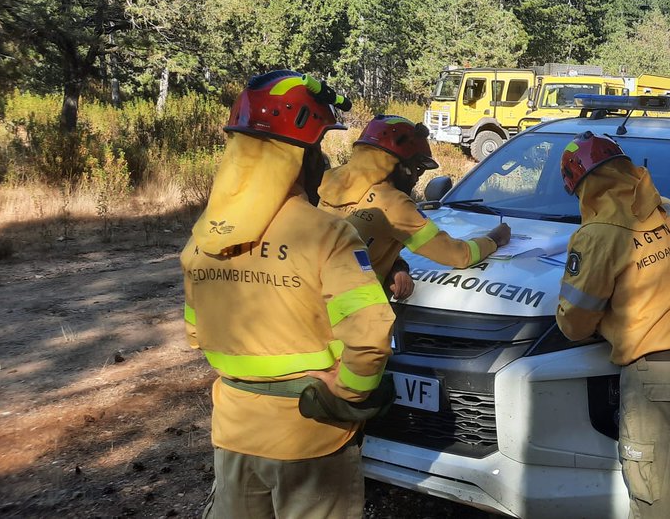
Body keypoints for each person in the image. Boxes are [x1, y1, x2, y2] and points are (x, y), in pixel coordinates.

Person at [181, 71, 395, 519]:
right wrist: (352, 395)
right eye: (316, 148)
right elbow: (371, 331)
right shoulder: (327, 234)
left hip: (234, 431)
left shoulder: (206, 235)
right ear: (299, 156)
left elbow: (196, 332)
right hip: (311, 437)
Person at [555, 131, 670, 519]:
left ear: (581, 185)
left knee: (658, 504)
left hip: (658, 382)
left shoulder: (597, 234)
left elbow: (573, 323)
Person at [318, 115, 511, 300]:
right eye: (417, 168)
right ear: (399, 165)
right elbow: (459, 255)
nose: (416, 178)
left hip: (302, 308)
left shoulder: (322, 182)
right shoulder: (393, 203)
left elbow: (358, 247)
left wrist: (396, 266)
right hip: (348, 318)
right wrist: (494, 239)